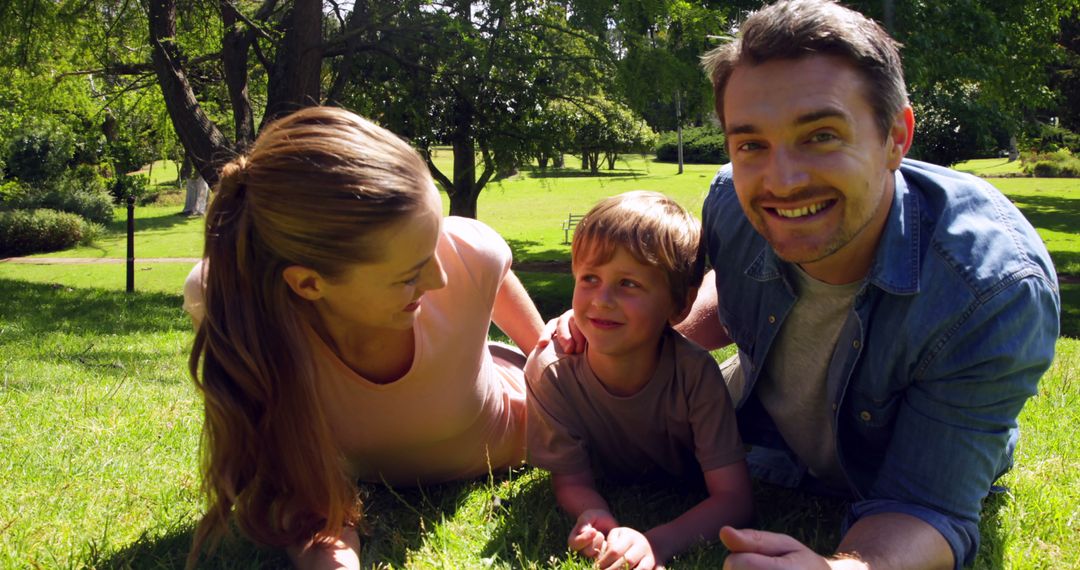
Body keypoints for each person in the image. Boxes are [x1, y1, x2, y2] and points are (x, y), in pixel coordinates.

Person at [550, 1, 1061, 568]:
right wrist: (616, 331)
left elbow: (929, 503)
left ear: (896, 136)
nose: (783, 181)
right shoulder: (731, 202)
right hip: (761, 445)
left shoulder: (992, 290)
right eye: (751, 144)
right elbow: (731, 289)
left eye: (820, 135)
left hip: (881, 479)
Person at [182, 107, 544, 569]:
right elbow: (295, 481)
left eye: (433, 247)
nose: (439, 280)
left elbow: (552, 359)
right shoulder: (230, 302)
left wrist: (550, 356)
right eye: (409, 274)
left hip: (508, 425)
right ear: (308, 284)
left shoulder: (469, 256)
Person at [527, 191, 754, 570]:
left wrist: (656, 543)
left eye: (628, 283)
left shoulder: (695, 375)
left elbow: (735, 499)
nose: (602, 300)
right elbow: (571, 480)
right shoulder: (552, 372)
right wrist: (595, 515)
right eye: (590, 278)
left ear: (681, 304)